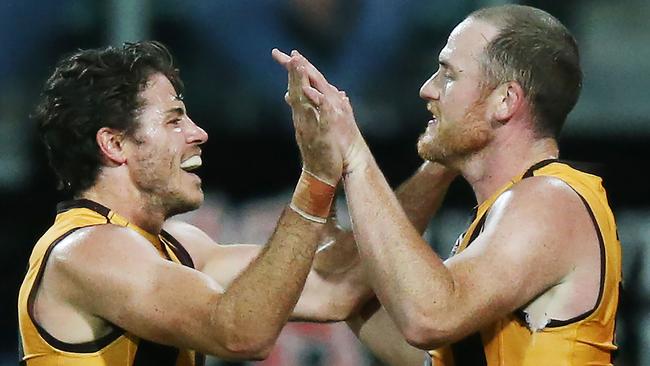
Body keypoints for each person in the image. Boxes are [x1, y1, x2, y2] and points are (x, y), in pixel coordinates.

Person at [274, 4, 622, 365]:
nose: (427, 89)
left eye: (448, 75)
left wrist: (354, 151)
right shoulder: (506, 214)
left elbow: (429, 318)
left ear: (505, 101)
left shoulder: (550, 200)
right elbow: (427, 352)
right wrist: (325, 196)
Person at [17, 40, 376, 365]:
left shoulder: (179, 247)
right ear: (114, 145)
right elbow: (241, 334)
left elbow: (335, 288)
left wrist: (427, 164)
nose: (199, 133)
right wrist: (314, 178)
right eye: (174, 120)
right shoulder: (87, 250)